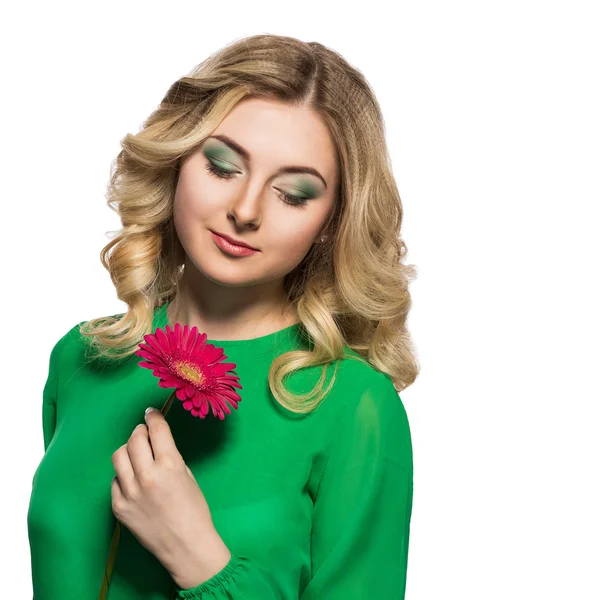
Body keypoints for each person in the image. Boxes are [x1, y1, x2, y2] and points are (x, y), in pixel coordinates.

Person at [28, 33, 419, 599]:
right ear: (179, 159)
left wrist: (200, 559)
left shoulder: (352, 407)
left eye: (293, 194)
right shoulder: (84, 358)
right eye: (222, 165)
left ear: (333, 220)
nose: (245, 210)